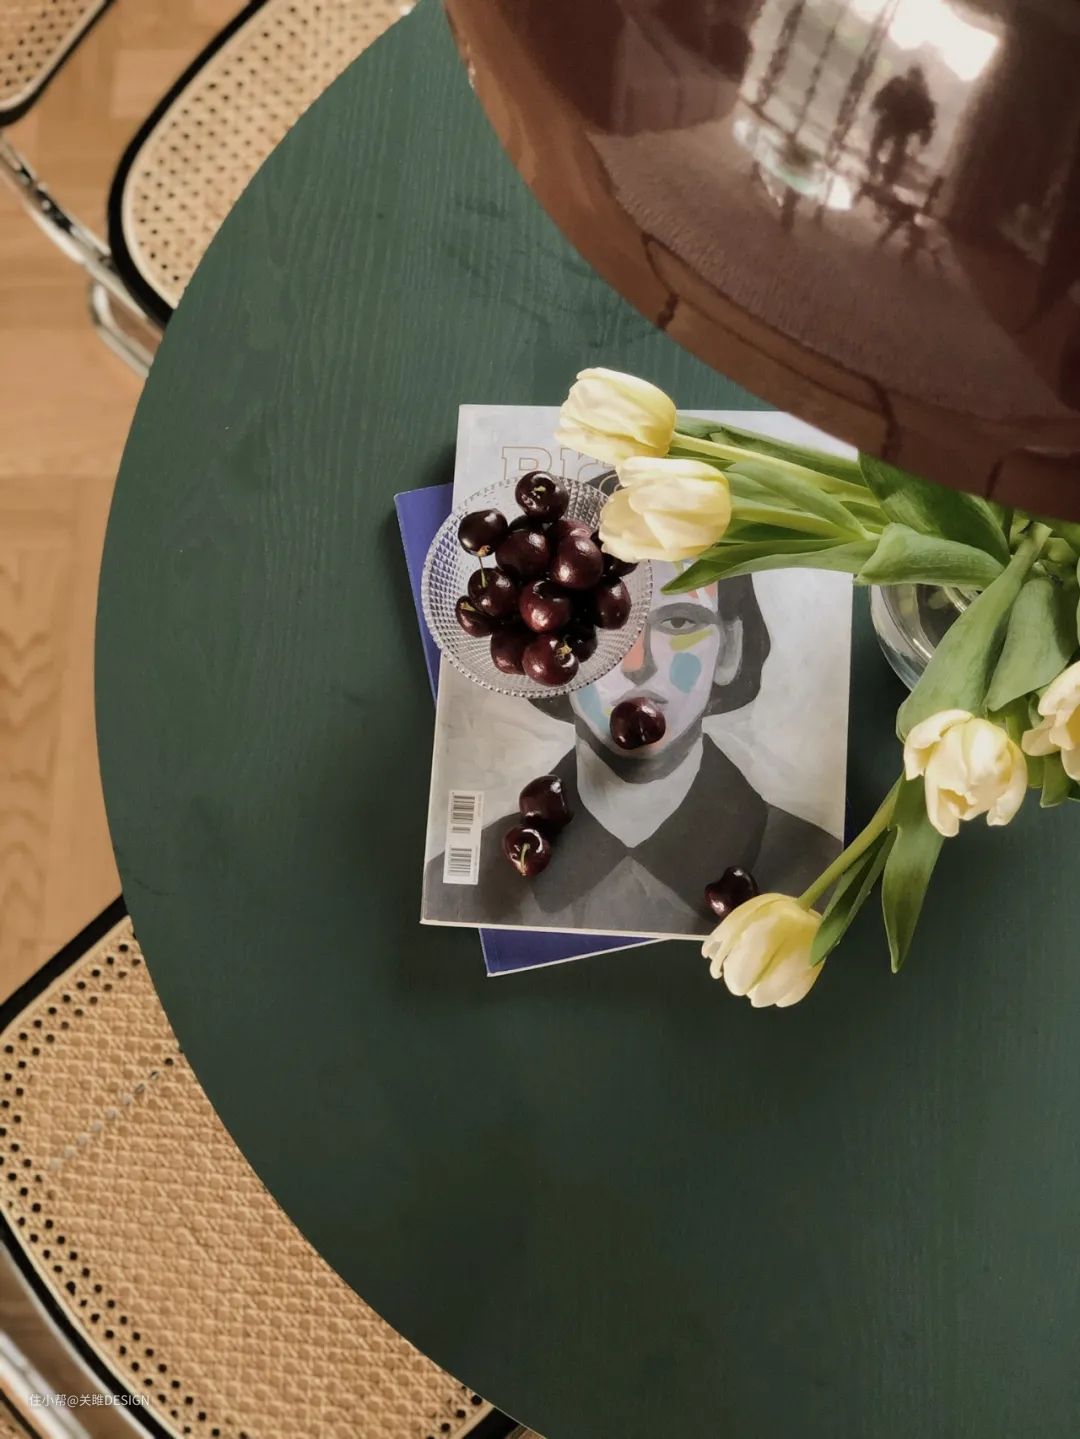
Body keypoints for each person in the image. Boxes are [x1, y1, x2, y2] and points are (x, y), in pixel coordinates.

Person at [424, 564, 838, 936]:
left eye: (678, 622)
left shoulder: (816, 869)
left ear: (730, 648)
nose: (637, 664)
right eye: (600, 627)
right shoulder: (462, 881)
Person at [867, 64, 936, 189]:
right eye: (912, 77)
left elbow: (928, 118)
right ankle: (875, 171)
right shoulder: (899, 85)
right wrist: (877, 105)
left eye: (915, 78)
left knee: (897, 152)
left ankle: (887, 180)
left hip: (903, 127)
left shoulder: (922, 96)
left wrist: (924, 136)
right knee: (878, 145)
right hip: (891, 120)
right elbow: (883, 95)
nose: (912, 81)